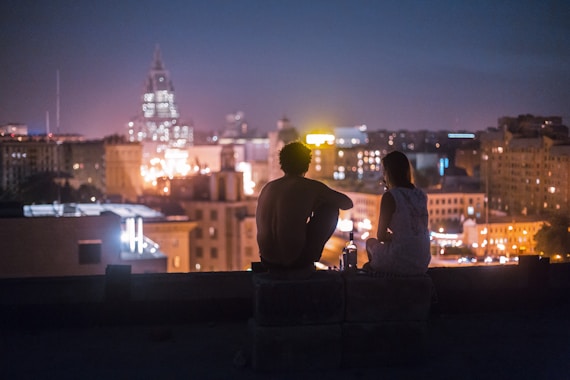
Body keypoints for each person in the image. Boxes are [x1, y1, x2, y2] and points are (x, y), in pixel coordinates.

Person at [256, 141, 353, 276]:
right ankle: (309, 260)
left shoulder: (268, 188)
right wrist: (318, 200)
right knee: (330, 208)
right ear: (307, 165)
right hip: (295, 261)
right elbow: (347, 203)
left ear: (282, 165)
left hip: (267, 260)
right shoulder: (310, 187)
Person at [364, 150, 431, 275]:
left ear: (388, 173)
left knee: (370, 243)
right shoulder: (421, 195)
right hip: (423, 261)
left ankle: (376, 273)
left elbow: (381, 236)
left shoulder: (390, 196)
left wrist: (396, 238)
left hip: (400, 258)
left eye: (384, 172)